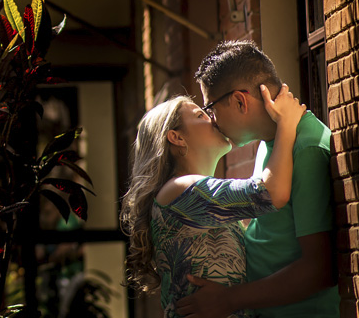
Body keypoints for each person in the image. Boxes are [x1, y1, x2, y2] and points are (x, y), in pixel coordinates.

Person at [177, 41, 338, 318]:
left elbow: (320, 269)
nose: (212, 121)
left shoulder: (306, 148)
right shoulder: (271, 142)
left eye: (211, 108)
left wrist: (228, 299)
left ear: (240, 100)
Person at [119, 84, 306, 318]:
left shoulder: (194, 196)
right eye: (200, 115)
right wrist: (286, 122)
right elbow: (270, 193)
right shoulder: (178, 190)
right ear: (176, 137)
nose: (213, 119)